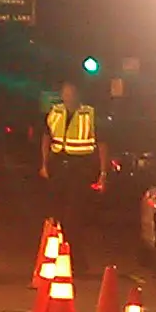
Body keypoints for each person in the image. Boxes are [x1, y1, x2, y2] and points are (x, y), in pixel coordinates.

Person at [39, 81, 110, 276]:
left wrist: (103, 174)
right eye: (65, 92)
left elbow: (103, 144)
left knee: (74, 217)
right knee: (56, 216)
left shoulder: (90, 114)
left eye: (71, 92)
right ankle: (56, 259)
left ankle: (77, 262)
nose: (68, 96)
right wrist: (44, 164)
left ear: (78, 94)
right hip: (58, 167)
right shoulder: (55, 112)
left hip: (80, 169)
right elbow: (46, 137)